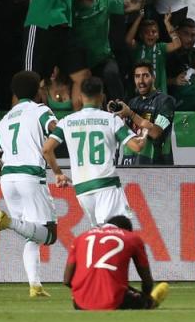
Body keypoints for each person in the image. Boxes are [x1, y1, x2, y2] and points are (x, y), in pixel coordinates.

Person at [0, 71, 66, 298]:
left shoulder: (7, 118)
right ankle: (8, 223)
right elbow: (55, 129)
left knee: (33, 234)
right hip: (30, 177)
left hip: (8, 179)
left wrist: (6, 178)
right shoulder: (40, 110)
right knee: (49, 235)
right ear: (37, 91)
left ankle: (35, 286)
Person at [42, 77, 151, 226]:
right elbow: (137, 146)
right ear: (102, 97)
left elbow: (47, 149)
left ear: (80, 97)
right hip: (106, 185)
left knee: (99, 233)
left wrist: (58, 173)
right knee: (117, 232)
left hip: (82, 190)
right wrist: (145, 131)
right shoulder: (111, 119)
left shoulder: (67, 121)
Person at [64, 215, 169, 311]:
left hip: (79, 304)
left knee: (114, 286)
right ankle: (151, 303)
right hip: (114, 301)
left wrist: (82, 293)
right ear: (127, 230)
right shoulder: (132, 238)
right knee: (140, 299)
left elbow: (67, 280)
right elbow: (147, 280)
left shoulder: (80, 237)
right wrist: (146, 297)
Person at [121, 61, 175, 165]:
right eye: (137, 76)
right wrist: (119, 117)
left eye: (145, 76)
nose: (140, 81)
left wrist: (131, 114)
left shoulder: (165, 101)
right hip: (131, 162)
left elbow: (156, 132)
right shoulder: (133, 102)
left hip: (156, 164)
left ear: (153, 77)